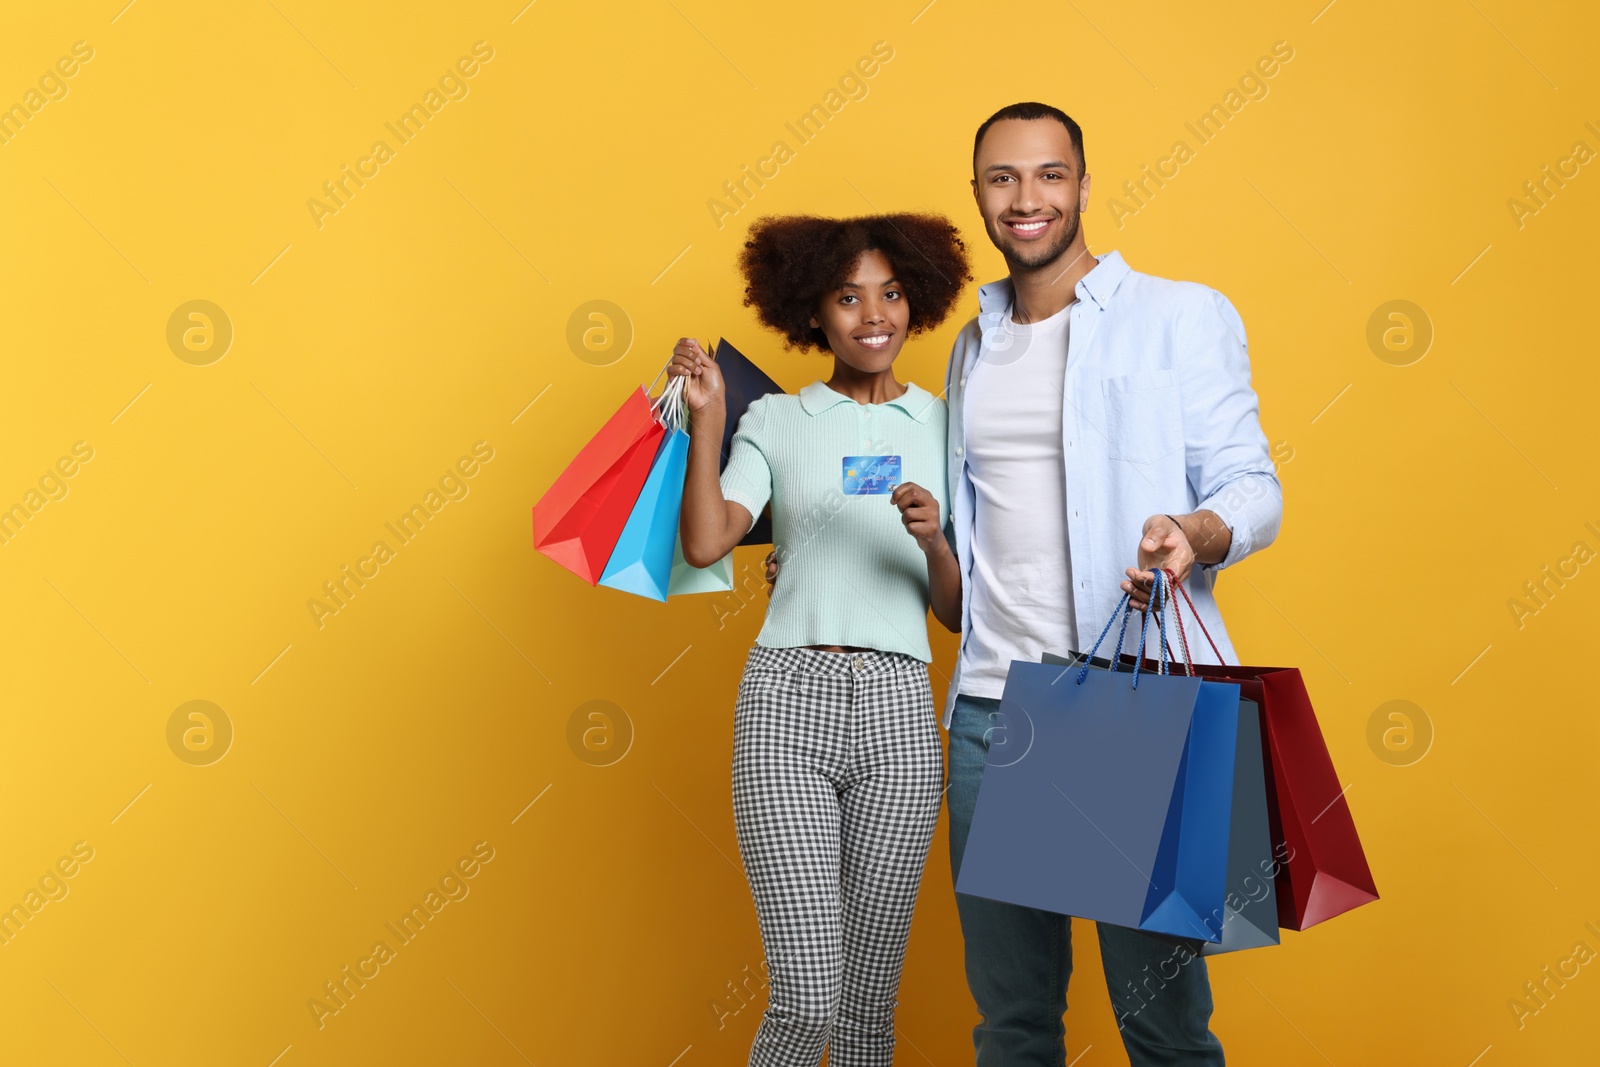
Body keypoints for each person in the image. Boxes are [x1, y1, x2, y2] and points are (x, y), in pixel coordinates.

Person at [939, 101, 1284, 1066]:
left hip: (1126, 703)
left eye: (1049, 174)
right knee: (1012, 1027)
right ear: (977, 195)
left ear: (1084, 186)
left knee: (1163, 1029)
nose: (1026, 198)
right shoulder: (974, 346)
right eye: (1002, 178)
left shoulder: (1179, 315)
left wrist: (1197, 531)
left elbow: (1255, 487)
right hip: (991, 708)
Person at [671, 213, 973, 1067]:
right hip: (786, 701)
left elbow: (953, 613)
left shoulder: (948, 425)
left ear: (916, 302)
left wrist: (935, 541)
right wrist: (708, 418)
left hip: (900, 715)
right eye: (848, 297)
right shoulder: (775, 417)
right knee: (810, 991)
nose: (872, 313)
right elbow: (705, 540)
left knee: (871, 1007)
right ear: (814, 311)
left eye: (891, 292)